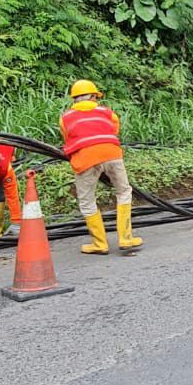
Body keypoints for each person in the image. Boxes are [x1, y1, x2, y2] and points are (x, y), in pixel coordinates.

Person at [61, 80, 141, 255]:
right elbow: (114, 130)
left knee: (87, 200)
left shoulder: (66, 116)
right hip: (111, 153)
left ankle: (99, 244)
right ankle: (126, 238)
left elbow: (67, 137)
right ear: (93, 96)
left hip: (85, 158)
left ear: (74, 98)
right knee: (124, 192)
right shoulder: (106, 112)